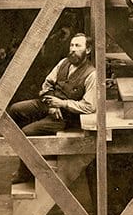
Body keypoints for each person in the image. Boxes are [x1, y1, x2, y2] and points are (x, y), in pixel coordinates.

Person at [8, 33, 96, 183]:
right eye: (72, 45)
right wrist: (51, 104)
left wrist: (62, 104)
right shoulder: (63, 63)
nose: (73, 49)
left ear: (88, 50)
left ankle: (25, 172)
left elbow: (89, 106)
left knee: (27, 133)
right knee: (15, 109)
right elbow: (47, 84)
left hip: (65, 116)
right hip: (49, 105)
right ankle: (35, 156)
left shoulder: (91, 74)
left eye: (78, 46)